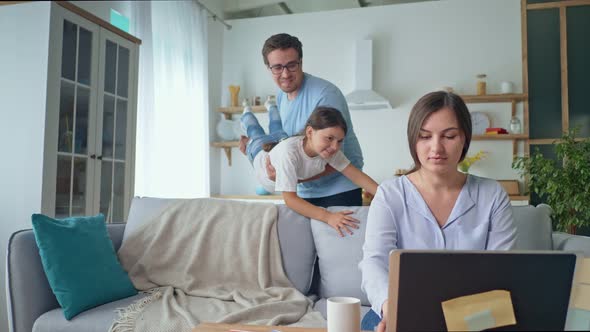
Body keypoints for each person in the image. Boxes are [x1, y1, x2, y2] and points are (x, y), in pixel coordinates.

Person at [358, 91, 517, 332]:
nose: (436, 147)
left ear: (465, 138)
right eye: (424, 136)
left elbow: (501, 270)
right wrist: (389, 306)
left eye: (449, 136)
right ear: (413, 140)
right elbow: (374, 262)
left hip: (472, 315)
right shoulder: (390, 194)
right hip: (401, 308)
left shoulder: (492, 195)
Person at [241, 32, 365, 207]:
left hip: (339, 189)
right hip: (304, 190)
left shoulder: (325, 95)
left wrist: (287, 177)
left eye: (291, 65)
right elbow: (290, 144)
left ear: (301, 62)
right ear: (268, 68)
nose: (285, 74)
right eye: (277, 67)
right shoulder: (281, 97)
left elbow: (334, 156)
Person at [240, 104, 378, 237]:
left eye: (339, 141)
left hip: (279, 142)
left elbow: (356, 175)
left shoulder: (329, 151)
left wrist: (386, 195)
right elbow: (290, 200)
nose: (335, 146)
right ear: (310, 132)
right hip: (259, 153)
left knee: (276, 126)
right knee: (254, 130)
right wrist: (328, 217)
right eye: (329, 138)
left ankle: (271, 106)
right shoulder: (289, 154)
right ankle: (247, 110)